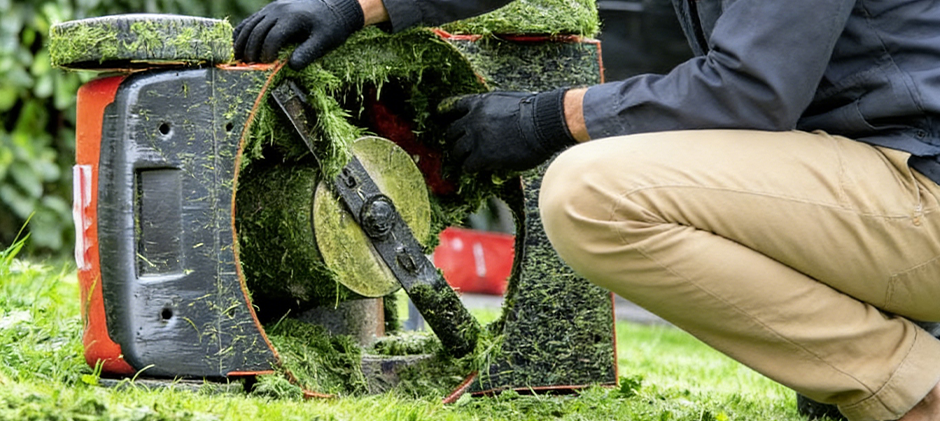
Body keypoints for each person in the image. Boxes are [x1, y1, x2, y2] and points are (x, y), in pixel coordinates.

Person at [233, 0, 940, 419]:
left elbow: (750, 90)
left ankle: (916, 388)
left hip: (920, 188)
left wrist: (547, 118)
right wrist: (358, 6)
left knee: (592, 193)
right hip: (882, 182)